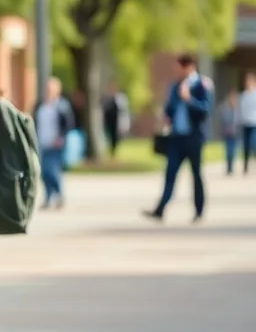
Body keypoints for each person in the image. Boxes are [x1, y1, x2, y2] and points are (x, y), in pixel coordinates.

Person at [143, 54, 212, 223]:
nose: (176, 71)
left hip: (193, 138)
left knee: (196, 175)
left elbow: (205, 110)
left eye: (178, 67)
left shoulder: (202, 85)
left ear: (188, 67)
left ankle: (199, 210)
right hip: (176, 137)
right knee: (170, 172)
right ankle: (160, 209)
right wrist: (166, 116)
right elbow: (170, 108)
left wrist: (189, 99)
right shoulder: (175, 86)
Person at [33, 77, 74, 209]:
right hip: (42, 142)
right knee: (44, 172)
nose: (48, 91)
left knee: (52, 171)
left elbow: (68, 124)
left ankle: (58, 194)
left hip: (55, 144)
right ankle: (49, 197)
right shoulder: (40, 105)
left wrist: (61, 138)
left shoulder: (62, 105)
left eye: (51, 89)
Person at [101, 82, 130, 157]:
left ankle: (113, 151)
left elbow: (122, 110)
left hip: (116, 122)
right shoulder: (107, 99)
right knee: (108, 137)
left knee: (115, 137)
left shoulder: (119, 99)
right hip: (108, 122)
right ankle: (110, 150)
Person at [219, 89, 240, 176]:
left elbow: (239, 121)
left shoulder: (237, 109)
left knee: (233, 151)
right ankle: (228, 167)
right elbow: (223, 120)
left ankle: (231, 167)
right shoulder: (225, 108)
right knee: (228, 150)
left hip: (235, 133)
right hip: (227, 133)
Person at [241, 72, 256, 174]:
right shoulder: (244, 95)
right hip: (245, 122)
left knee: (253, 144)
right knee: (246, 145)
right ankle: (246, 166)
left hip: (254, 122)